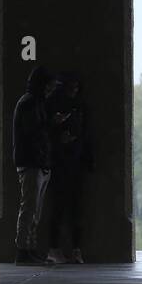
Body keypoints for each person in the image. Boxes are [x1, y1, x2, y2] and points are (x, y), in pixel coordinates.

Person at [45, 71, 93, 264]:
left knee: (75, 209)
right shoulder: (54, 106)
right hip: (60, 163)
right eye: (70, 87)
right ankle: (56, 249)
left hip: (75, 162)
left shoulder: (79, 106)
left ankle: (74, 249)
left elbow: (87, 134)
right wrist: (58, 138)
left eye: (76, 88)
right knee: (59, 208)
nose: (74, 91)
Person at [13, 66, 56, 266]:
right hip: (32, 163)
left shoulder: (34, 102)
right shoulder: (31, 104)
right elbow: (34, 134)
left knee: (33, 210)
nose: (52, 89)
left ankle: (28, 249)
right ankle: (23, 251)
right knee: (30, 208)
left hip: (37, 163)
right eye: (49, 85)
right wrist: (51, 125)